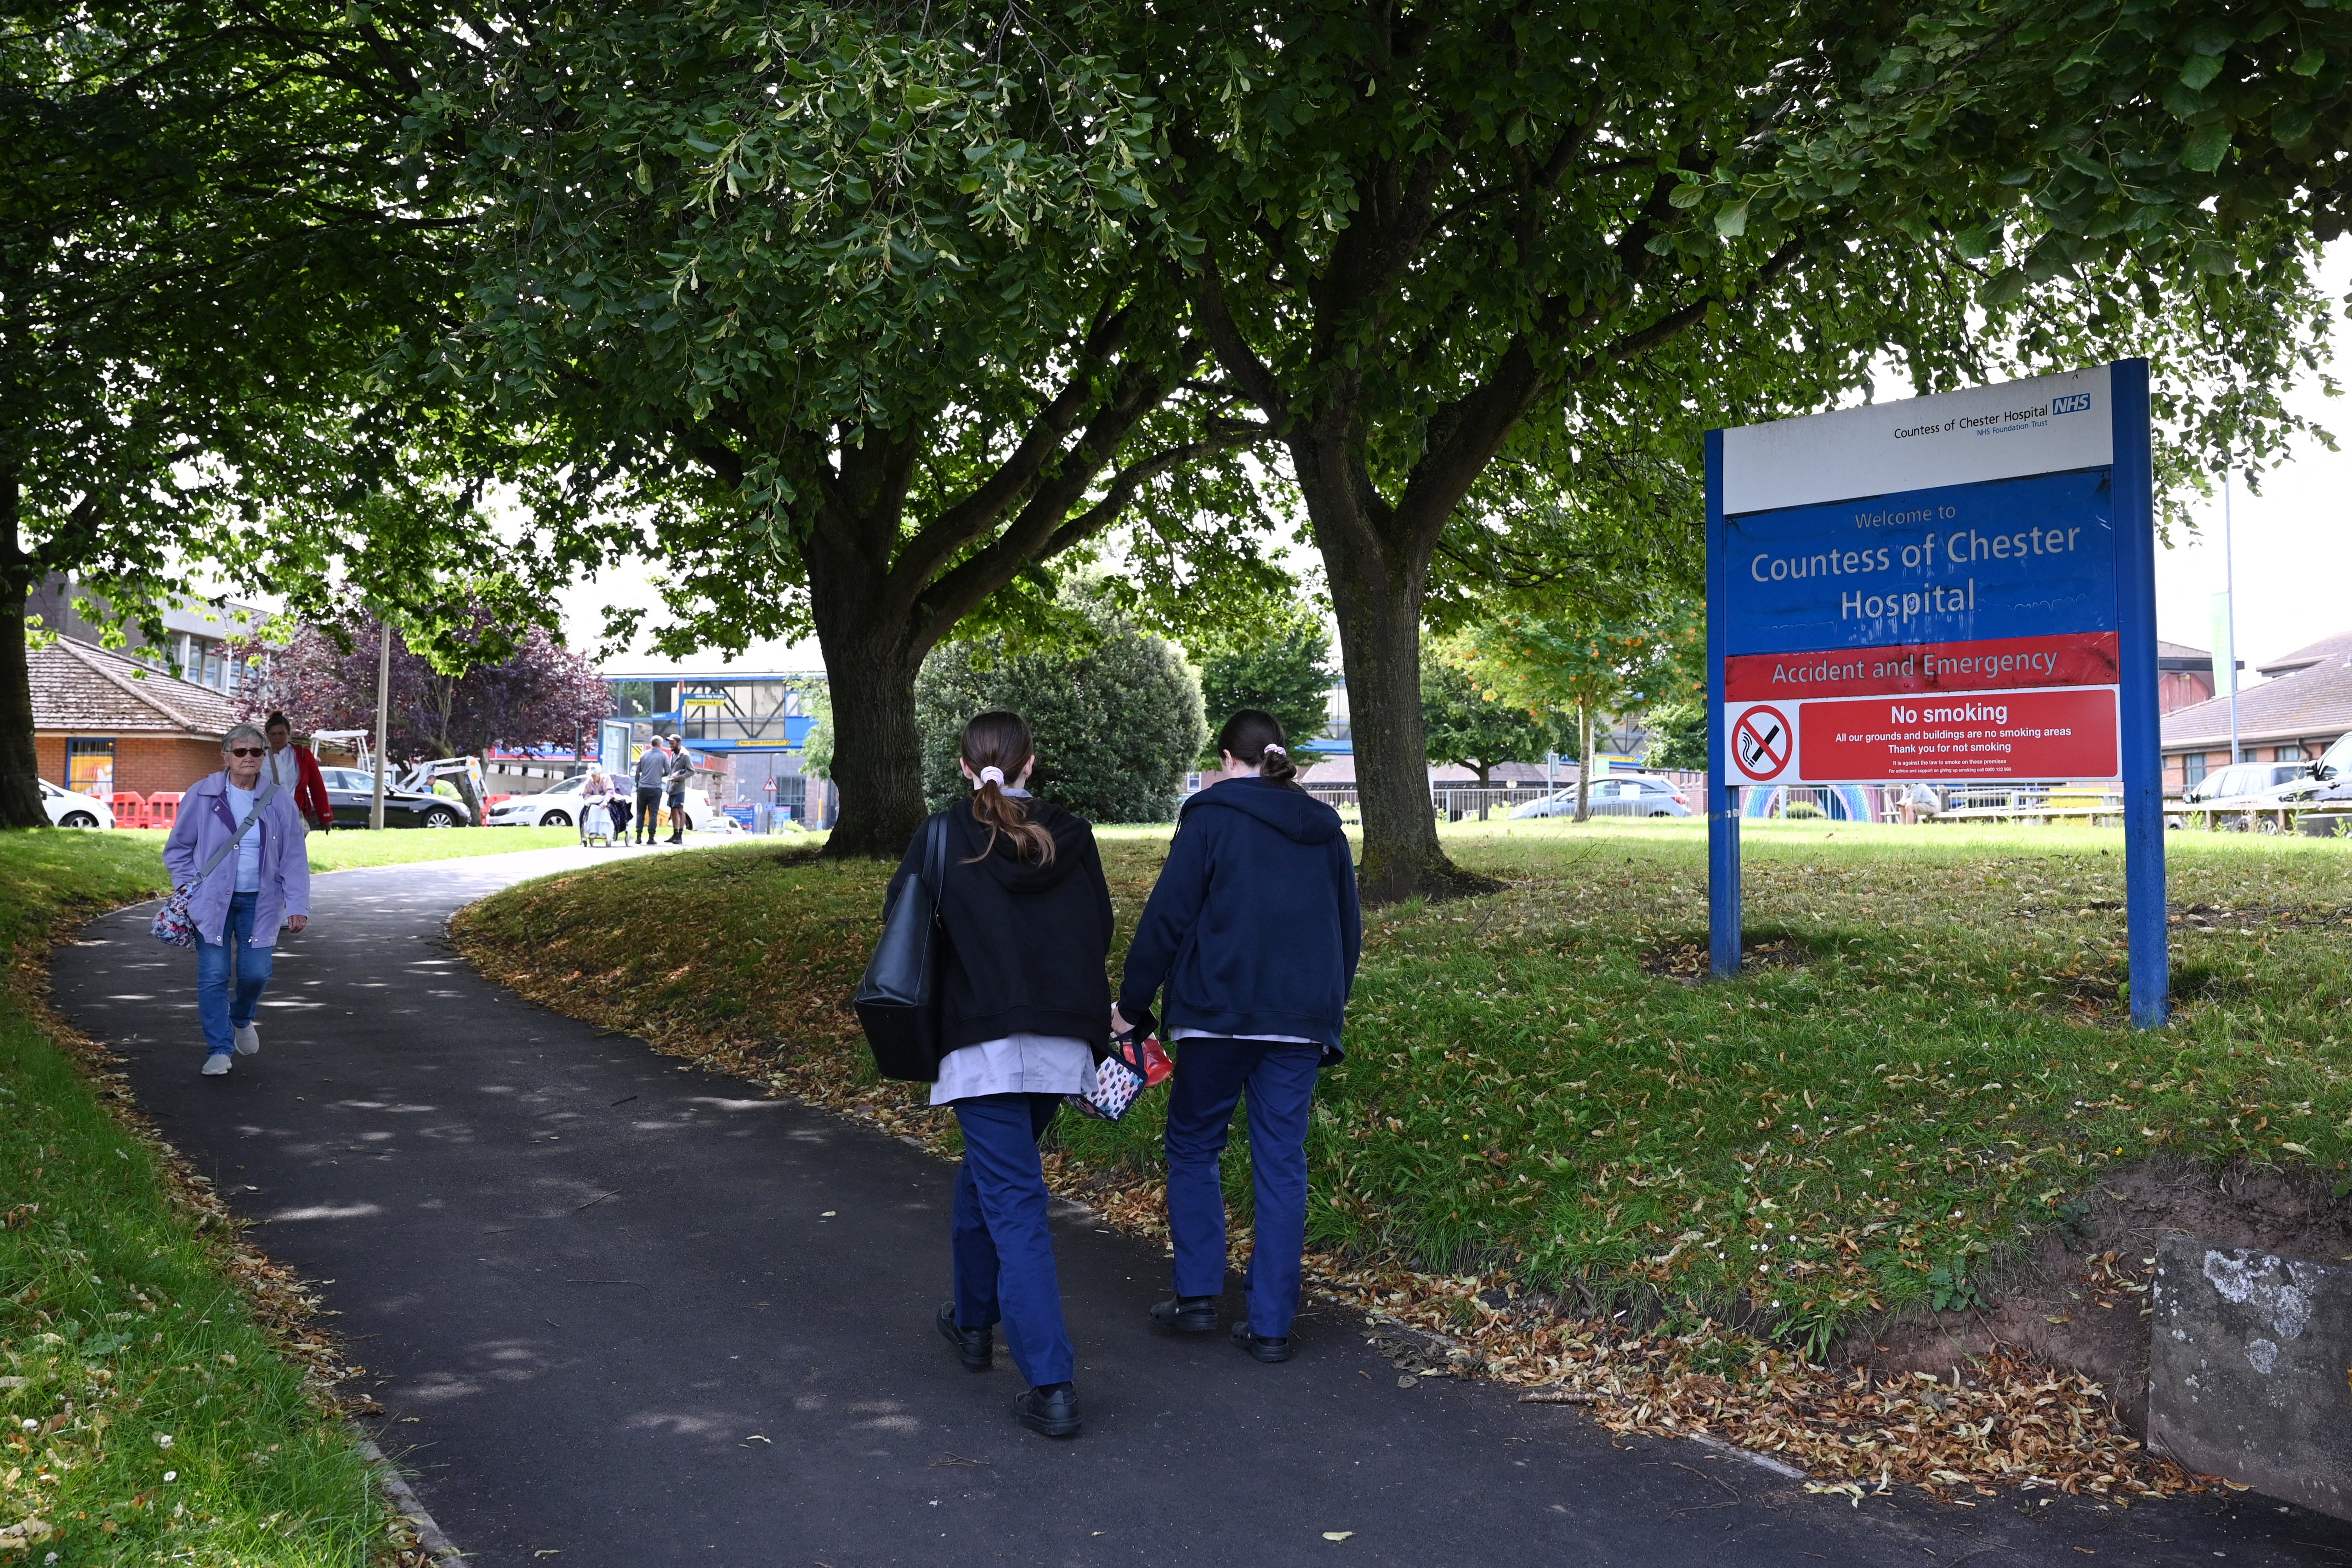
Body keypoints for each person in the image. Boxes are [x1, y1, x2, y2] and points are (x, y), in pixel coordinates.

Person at [1114, 709, 1360, 1364]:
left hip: (1215, 1014)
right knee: (1281, 1162)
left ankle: (1196, 1296)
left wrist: (1131, 1006)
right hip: (1300, 1020)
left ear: (1227, 758)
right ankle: (1272, 1325)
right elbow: (1348, 928)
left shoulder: (1209, 816)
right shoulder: (1325, 829)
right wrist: (1328, 1005)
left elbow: (1167, 917)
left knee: (1194, 1145)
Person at [894, 710, 1113, 1440]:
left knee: (1013, 1202)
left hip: (979, 1044)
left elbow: (906, 936)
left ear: (963, 766)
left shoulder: (941, 837)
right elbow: (1098, 930)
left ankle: (1050, 1383)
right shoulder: (1073, 835)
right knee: (990, 1179)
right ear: (1031, 761)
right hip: (1058, 1046)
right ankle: (970, 1318)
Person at [164, 723, 312, 1078]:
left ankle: (241, 1016)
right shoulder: (202, 794)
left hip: (261, 902)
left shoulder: (278, 799)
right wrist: (190, 887)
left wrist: (297, 905)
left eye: (256, 752)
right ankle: (219, 1049)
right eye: (241, 751)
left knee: (256, 973)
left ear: (263, 757)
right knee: (214, 975)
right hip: (212, 902)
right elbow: (179, 849)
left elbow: (294, 855)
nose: (249, 758)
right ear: (226, 756)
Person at [262, 712, 332, 832]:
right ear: (267, 736)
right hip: (266, 815)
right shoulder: (259, 757)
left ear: (289, 734)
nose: (278, 737)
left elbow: (317, 787)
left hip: (295, 815)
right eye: (273, 734)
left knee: (294, 850)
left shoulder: (303, 755)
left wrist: (325, 816)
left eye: (281, 733)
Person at [631, 738, 669, 845]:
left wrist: (638, 784)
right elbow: (668, 771)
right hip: (655, 789)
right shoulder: (663, 756)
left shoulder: (644, 755)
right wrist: (659, 775)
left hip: (643, 788)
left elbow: (638, 771)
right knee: (653, 813)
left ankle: (638, 837)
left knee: (641, 813)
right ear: (660, 744)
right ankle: (651, 838)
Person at [664, 735, 693, 844]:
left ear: (679, 743)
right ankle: (675, 833)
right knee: (673, 809)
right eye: (670, 743)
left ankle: (680, 835)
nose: (671, 745)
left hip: (679, 787)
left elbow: (691, 771)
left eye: (673, 743)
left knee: (680, 809)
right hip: (672, 787)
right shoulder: (673, 755)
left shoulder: (685, 755)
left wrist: (679, 778)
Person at [579, 767, 614, 845]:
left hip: (607, 801)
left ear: (599, 774)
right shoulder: (589, 782)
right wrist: (592, 799)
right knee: (593, 809)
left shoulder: (606, 779)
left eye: (595, 776)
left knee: (605, 810)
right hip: (594, 802)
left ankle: (604, 832)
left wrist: (605, 801)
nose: (594, 778)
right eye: (592, 776)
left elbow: (610, 791)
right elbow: (585, 794)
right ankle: (593, 832)